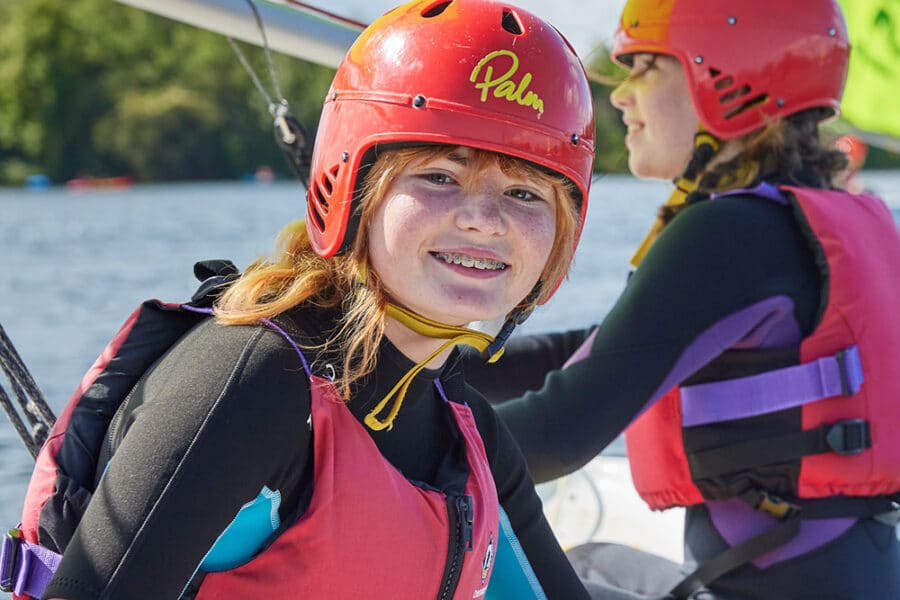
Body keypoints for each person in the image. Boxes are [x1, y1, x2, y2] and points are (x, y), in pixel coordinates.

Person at [12, 1, 597, 598]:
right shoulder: (254, 381)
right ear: (353, 189)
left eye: (526, 192)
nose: (483, 220)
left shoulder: (471, 439)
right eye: (439, 176)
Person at [465, 1, 900, 598]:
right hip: (850, 574)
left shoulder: (731, 234)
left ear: (726, 77)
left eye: (644, 67)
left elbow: (555, 434)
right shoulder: (802, 219)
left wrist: (386, 443)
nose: (619, 97)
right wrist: (437, 364)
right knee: (590, 558)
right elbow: (603, 351)